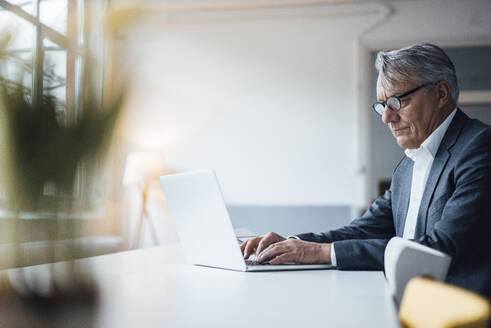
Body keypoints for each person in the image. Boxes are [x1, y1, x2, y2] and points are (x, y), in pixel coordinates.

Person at [241, 43, 491, 300]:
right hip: (408, 304)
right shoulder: (408, 165)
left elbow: (439, 250)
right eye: (383, 105)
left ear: (440, 93)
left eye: (397, 101)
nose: (386, 118)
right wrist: (292, 243)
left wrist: (319, 252)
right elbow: (362, 230)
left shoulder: (480, 148)